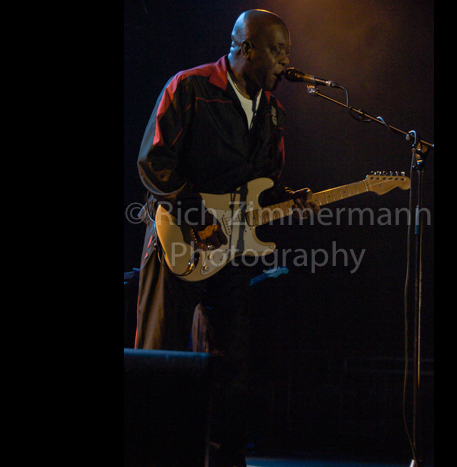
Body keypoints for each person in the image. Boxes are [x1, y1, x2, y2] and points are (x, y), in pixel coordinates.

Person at [134, 9, 320, 467]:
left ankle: (226, 459)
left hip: (232, 253)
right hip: (178, 237)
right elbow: (153, 162)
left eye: (287, 52)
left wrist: (286, 198)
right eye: (277, 51)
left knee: (231, 365)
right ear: (245, 48)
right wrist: (198, 217)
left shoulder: (272, 112)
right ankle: (149, 453)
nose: (284, 61)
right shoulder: (190, 87)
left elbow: (264, 182)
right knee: (160, 356)